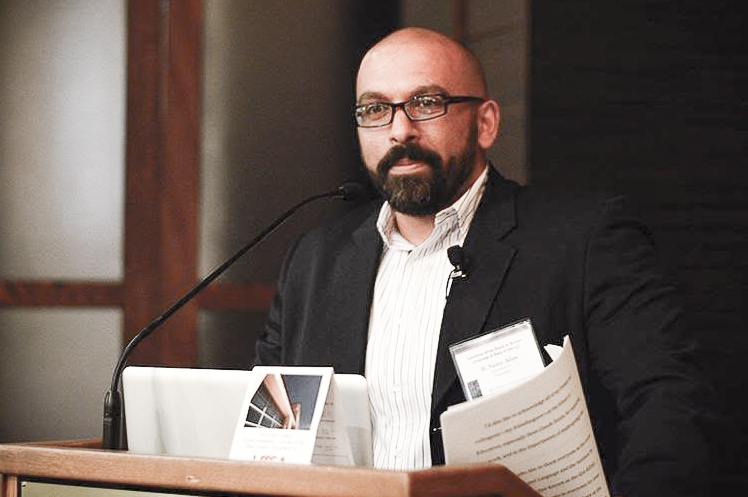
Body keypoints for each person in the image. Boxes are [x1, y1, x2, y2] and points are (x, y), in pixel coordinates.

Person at [255, 27, 712, 496]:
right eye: (375, 109)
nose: (399, 129)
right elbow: (265, 436)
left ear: (486, 123)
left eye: (427, 102)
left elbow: (669, 410)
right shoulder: (315, 260)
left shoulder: (584, 240)